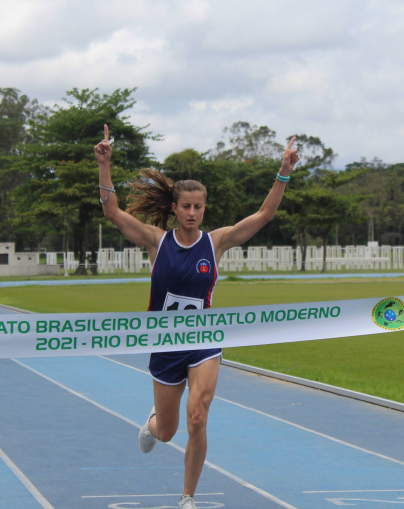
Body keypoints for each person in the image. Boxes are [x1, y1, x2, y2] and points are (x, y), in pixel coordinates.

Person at [94, 124, 298, 509]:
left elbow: (265, 214)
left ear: (204, 208)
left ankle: (188, 497)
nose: (191, 212)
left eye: (198, 206)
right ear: (174, 208)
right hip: (164, 346)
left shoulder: (216, 241)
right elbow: (112, 211)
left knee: (199, 418)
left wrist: (283, 171)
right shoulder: (157, 240)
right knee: (169, 431)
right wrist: (104, 163)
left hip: (203, 342)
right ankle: (154, 421)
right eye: (185, 206)